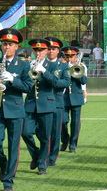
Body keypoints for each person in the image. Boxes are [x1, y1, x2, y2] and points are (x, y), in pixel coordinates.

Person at [0, 28, 33, 191]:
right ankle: (3, 164)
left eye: (10, 44)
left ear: (16, 47)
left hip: (15, 110)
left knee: (13, 147)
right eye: (4, 44)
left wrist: (12, 80)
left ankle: (8, 181)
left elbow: (27, 87)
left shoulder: (24, 65)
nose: (7, 47)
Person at [22, 39, 61, 175]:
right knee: (26, 132)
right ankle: (36, 155)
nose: (38, 53)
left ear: (46, 51)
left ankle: (43, 164)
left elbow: (56, 83)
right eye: (36, 50)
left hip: (47, 104)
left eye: (41, 50)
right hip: (31, 104)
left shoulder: (52, 66)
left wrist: (43, 70)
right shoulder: (27, 65)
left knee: (45, 136)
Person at [44, 37, 70, 167]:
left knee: (55, 132)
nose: (50, 51)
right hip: (42, 102)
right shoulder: (39, 64)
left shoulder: (63, 66)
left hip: (57, 102)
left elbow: (65, 82)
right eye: (48, 49)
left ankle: (52, 156)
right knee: (41, 131)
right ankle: (44, 153)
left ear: (58, 50)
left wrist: (53, 81)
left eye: (53, 49)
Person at [61, 47, 87, 153]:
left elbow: (84, 81)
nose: (69, 59)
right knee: (62, 121)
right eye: (67, 56)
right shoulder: (61, 66)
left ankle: (73, 144)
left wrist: (76, 71)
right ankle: (65, 139)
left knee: (75, 123)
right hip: (63, 97)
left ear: (75, 57)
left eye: (71, 56)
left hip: (76, 97)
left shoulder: (81, 66)